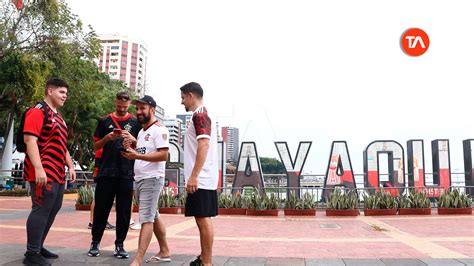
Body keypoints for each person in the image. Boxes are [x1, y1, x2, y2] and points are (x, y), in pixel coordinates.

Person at [23, 78, 76, 265]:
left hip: (57, 172)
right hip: (43, 170)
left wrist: (70, 165)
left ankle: (38, 245)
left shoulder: (58, 116)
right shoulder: (37, 111)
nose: (65, 96)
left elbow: (63, 145)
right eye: (62, 92)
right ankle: (31, 254)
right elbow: (30, 140)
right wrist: (38, 169)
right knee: (41, 209)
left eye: (66, 93)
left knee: (53, 209)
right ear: (50, 91)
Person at [88, 91, 141, 259]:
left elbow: (142, 147)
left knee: (124, 211)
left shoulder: (135, 122)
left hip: (127, 173)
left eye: (125, 107)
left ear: (129, 104)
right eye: (119, 106)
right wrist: (108, 138)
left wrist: (132, 140)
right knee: (101, 210)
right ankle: (95, 242)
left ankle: (120, 244)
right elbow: (96, 146)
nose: (122, 109)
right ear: (115, 102)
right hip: (106, 172)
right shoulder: (104, 121)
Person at [122, 95, 171, 265]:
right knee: (153, 215)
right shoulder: (143, 131)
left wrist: (137, 155)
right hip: (141, 179)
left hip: (151, 179)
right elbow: (146, 149)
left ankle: (138, 258)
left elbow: (164, 154)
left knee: (146, 219)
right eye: (137, 108)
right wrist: (134, 143)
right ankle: (164, 251)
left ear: (152, 109)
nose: (139, 112)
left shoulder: (159, 129)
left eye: (143, 108)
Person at [180, 82, 219, 266]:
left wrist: (194, 175)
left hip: (201, 179)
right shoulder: (201, 115)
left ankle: (207, 262)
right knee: (201, 218)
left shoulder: (200, 115)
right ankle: (204, 258)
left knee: (203, 220)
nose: (182, 102)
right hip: (203, 177)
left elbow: (203, 145)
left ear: (190, 96)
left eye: (182, 98)